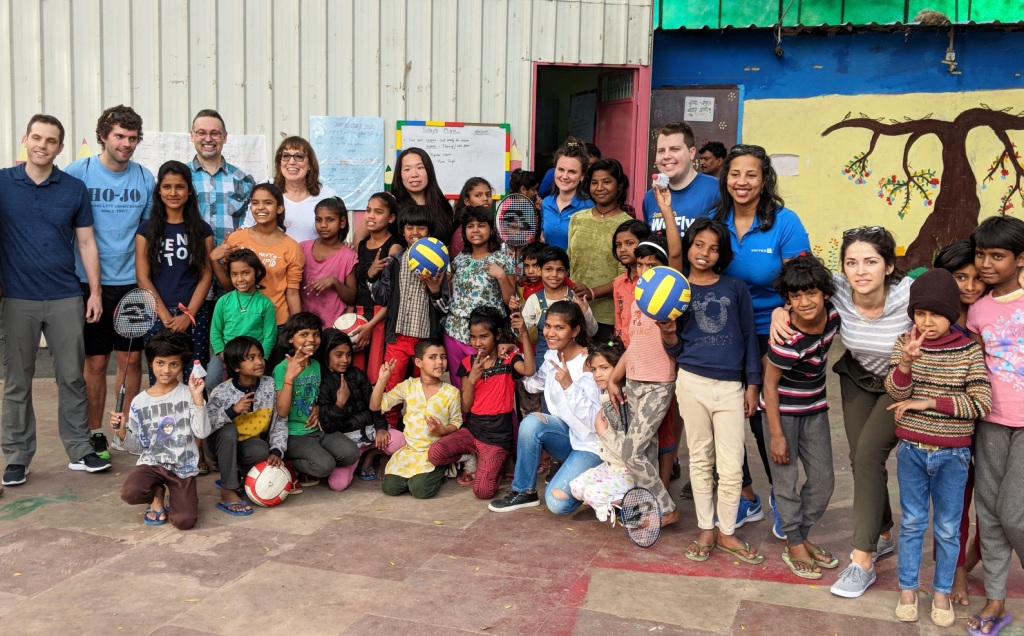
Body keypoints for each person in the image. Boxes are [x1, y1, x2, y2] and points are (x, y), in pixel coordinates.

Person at [772, 226, 912, 599]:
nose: (861, 271)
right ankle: (882, 534)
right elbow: (801, 287)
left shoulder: (909, 294)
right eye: (852, 262)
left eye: (871, 261)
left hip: (898, 385)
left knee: (867, 456)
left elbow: (953, 299)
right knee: (858, 457)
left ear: (889, 266)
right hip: (857, 378)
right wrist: (777, 311)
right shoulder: (836, 290)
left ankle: (862, 560)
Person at [0, 114, 111, 486]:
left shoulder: (73, 189)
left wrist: (94, 292)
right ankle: (17, 456)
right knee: (18, 381)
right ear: (25, 140)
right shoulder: (2, 183)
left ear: (60, 147)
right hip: (18, 298)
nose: (42, 145)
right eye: (36, 138)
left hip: (66, 296)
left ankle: (80, 449)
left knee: (71, 378)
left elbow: (86, 242)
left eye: (50, 141)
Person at [710, 144, 811, 532]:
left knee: (765, 419)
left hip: (772, 329)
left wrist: (787, 305)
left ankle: (784, 499)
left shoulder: (785, 222)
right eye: (735, 174)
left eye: (751, 174)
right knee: (728, 416)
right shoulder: (714, 220)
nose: (742, 182)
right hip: (724, 329)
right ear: (726, 178)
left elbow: (802, 279)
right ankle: (746, 496)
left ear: (764, 178)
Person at [885, 268, 991, 627]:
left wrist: (928, 402)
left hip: (953, 455)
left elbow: (979, 403)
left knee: (947, 527)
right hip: (911, 450)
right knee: (913, 523)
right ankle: (908, 590)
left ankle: (942, 591)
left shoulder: (968, 352)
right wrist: (906, 362)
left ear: (951, 314)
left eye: (936, 314)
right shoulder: (906, 342)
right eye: (920, 313)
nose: (927, 322)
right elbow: (897, 394)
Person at [662, 217, 763, 564]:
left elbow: (750, 338)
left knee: (732, 464)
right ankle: (706, 528)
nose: (704, 252)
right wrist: (669, 333)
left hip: (731, 387)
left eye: (713, 247)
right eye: (699, 244)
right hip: (691, 382)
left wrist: (753, 385)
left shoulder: (735, 288)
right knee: (700, 459)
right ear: (688, 247)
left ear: (722, 253)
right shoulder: (678, 290)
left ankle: (727, 531)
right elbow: (675, 349)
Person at [65, 105, 155, 460]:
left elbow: (146, 236)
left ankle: (125, 429)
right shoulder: (78, 172)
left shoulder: (145, 178)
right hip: (89, 285)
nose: (126, 144)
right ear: (103, 135)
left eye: (133, 138)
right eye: (119, 136)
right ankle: (94, 433)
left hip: (131, 283)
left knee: (131, 361)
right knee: (96, 364)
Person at [762, 256, 841, 580]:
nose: (804, 303)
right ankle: (793, 541)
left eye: (811, 293)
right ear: (788, 300)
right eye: (795, 297)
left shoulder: (834, 317)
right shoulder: (787, 339)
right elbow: (770, 384)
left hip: (815, 409)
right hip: (784, 413)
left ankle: (802, 533)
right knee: (786, 480)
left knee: (824, 481)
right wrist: (777, 435)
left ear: (824, 293)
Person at [965, 216, 1024, 636]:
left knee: (1013, 513)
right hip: (989, 422)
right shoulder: (978, 310)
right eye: (981, 254)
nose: (986, 263)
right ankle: (996, 600)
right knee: (989, 512)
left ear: (1020, 259)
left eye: (997, 256)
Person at [488, 301, 602, 515]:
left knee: (557, 504)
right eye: (548, 326)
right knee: (531, 423)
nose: (551, 333)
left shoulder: (589, 362)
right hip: (567, 438)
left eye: (560, 328)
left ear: (575, 330)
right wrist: (516, 356)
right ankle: (525, 491)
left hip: (590, 445)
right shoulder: (553, 355)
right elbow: (532, 383)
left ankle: (599, 479)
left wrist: (569, 385)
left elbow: (594, 422)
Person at [605, 234, 680, 525]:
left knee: (632, 451)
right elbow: (633, 344)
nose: (645, 271)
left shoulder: (670, 300)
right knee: (644, 450)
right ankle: (649, 507)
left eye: (653, 265)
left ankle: (667, 508)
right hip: (633, 381)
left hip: (659, 384)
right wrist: (614, 379)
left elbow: (676, 257)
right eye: (640, 265)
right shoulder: (637, 299)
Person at [429, 307, 535, 499]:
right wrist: (471, 379)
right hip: (472, 430)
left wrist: (524, 334)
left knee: (483, 491)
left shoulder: (508, 359)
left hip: (497, 437)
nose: (478, 343)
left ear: (498, 335)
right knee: (435, 454)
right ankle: (471, 457)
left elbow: (529, 370)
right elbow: (466, 408)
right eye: (473, 337)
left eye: (484, 336)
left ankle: (494, 462)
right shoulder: (467, 363)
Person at [110, 330, 210, 529]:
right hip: (152, 464)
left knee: (184, 521)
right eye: (160, 363)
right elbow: (139, 447)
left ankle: (179, 495)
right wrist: (122, 432)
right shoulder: (139, 402)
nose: (166, 370)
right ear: (150, 363)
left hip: (183, 468)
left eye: (174, 364)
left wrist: (198, 399)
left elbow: (202, 433)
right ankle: (156, 495)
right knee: (130, 492)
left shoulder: (189, 394)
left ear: (182, 365)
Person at [933, 239, 986, 605]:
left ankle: (976, 554)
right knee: (954, 500)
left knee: (994, 500)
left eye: (975, 278)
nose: (969, 287)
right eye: (959, 277)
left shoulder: (991, 311)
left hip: (994, 417)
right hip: (949, 422)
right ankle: (955, 573)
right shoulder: (933, 318)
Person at [188, 108, 257, 388]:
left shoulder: (244, 180)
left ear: (225, 137)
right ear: (192, 136)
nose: (208, 138)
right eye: (202, 132)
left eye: (215, 133)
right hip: (193, 280)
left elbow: (253, 227)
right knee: (197, 354)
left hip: (234, 281)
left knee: (232, 354)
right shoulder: (182, 180)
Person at [368, 205, 451, 427]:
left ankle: (421, 430)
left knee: (424, 389)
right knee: (393, 387)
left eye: (421, 227)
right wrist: (372, 276)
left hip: (425, 344)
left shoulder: (438, 262)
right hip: (397, 338)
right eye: (409, 227)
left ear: (429, 232)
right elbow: (382, 298)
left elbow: (444, 308)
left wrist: (435, 290)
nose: (415, 232)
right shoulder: (394, 261)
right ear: (402, 231)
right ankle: (391, 429)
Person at [135, 161, 215, 385]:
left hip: (194, 314)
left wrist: (187, 316)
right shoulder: (146, 230)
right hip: (157, 315)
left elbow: (206, 276)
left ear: (189, 190)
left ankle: (195, 420)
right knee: (160, 379)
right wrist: (166, 316)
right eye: (167, 186)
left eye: (179, 187)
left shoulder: (202, 230)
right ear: (159, 190)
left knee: (196, 378)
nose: (173, 193)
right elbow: (143, 277)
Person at [370, 339, 462, 499]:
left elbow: (456, 422)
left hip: (434, 452)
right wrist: (383, 379)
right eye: (432, 357)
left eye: (443, 357)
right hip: (410, 451)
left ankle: (442, 469)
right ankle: (415, 476)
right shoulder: (408, 386)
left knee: (420, 490)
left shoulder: (451, 392)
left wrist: (443, 430)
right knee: (390, 488)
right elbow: (375, 406)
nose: (440, 362)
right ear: (418, 362)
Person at [206, 336, 288, 516]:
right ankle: (228, 491)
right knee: (228, 431)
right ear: (236, 367)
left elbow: (279, 421)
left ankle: (236, 476)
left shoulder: (270, 385)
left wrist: (277, 450)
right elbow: (205, 427)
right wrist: (232, 411)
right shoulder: (221, 391)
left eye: (260, 356)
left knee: (261, 449)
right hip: (218, 448)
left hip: (246, 446)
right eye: (251, 358)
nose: (259, 362)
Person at [275, 312, 358, 488]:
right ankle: (290, 465)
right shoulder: (282, 369)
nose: (311, 339)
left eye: (315, 334)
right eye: (303, 334)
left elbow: (316, 395)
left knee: (351, 453)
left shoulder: (316, 365)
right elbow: (281, 411)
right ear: (290, 338)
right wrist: (289, 377)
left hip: (317, 429)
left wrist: (319, 407)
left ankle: (313, 460)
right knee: (325, 466)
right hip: (294, 434)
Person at [316, 329, 405, 490]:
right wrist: (339, 404)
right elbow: (328, 426)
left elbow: (374, 405)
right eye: (338, 355)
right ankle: (357, 458)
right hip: (348, 442)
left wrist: (381, 428)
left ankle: (371, 454)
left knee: (401, 441)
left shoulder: (357, 374)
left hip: (370, 434)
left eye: (349, 354)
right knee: (338, 485)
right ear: (325, 353)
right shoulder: (321, 382)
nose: (345, 360)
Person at [444, 206, 516, 391]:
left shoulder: (502, 259)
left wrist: (501, 276)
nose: (475, 230)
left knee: (485, 388)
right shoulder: (460, 259)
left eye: (481, 225)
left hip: (484, 337)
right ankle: (463, 421)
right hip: (455, 332)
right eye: (470, 226)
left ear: (491, 230)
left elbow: (511, 301)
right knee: (460, 385)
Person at [212, 183, 305, 327]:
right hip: (240, 322)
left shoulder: (292, 248)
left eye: (268, 203)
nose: (260, 207)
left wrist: (298, 328)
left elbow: (292, 294)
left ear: (279, 208)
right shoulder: (235, 239)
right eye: (255, 203)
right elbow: (229, 286)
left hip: (276, 324)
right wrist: (214, 260)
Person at [567, 158, 633, 342]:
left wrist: (593, 292)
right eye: (594, 183)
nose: (600, 188)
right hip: (575, 311)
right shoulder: (577, 219)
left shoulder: (628, 225)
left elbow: (626, 275)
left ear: (619, 186)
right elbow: (570, 261)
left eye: (607, 182)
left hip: (609, 315)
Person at [569, 343, 635, 522]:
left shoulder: (624, 400)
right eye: (594, 370)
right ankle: (612, 502)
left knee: (592, 492)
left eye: (604, 368)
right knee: (575, 486)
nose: (597, 374)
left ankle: (629, 504)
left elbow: (628, 454)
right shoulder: (605, 395)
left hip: (627, 471)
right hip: (610, 466)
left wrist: (602, 431)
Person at [350, 192, 402, 384]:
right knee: (356, 368)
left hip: (380, 317)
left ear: (391, 218)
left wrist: (371, 326)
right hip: (360, 314)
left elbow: (393, 295)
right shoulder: (362, 245)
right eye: (368, 210)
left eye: (378, 212)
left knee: (375, 370)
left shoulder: (393, 247)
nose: (371, 216)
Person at [209, 249, 278, 384]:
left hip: (255, 356)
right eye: (234, 274)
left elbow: (270, 337)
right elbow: (215, 333)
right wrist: (225, 355)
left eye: (245, 273)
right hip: (226, 354)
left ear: (256, 272)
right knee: (212, 380)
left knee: (255, 386)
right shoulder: (223, 301)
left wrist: (259, 359)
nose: (240, 279)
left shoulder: (265, 304)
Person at [520, 246, 598, 361]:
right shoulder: (534, 300)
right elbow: (520, 332)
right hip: (544, 364)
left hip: (574, 362)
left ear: (566, 272)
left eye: (560, 270)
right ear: (539, 271)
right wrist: (516, 315)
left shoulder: (576, 297)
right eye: (549, 269)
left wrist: (585, 311)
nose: (554, 275)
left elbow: (592, 331)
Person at [642, 123, 720, 237]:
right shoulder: (651, 197)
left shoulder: (716, 190)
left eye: (675, 149)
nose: (666, 156)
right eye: (661, 151)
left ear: (692, 153)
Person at [258, 136, 336, 243]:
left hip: (315, 259)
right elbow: (249, 228)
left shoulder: (328, 195)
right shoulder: (265, 189)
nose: (291, 162)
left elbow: (337, 236)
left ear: (309, 165)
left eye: (299, 156)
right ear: (279, 162)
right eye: (286, 156)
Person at [299, 197, 357, 327]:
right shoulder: (302, 248)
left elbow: (352, 297)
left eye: (330, 220)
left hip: (333, 325)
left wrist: (334, 281)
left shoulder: (348, 256)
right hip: (305, 325)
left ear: (342, 222)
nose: (323, 225)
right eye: (318, 220)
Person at [390, 148, 454, 244]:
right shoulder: (390, 204)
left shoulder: (443, 205)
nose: (414, 174)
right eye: (407, 169)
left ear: (429, 171)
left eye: (420, 168)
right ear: (399, 174)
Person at [539, 138, 591, 250]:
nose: (565, 176)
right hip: (549, 266)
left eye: (572, 172)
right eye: (561, 170)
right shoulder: (546, 203)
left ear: (582, 176)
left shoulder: (590, 207)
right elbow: (543, 237)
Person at [609, 220, 651, 347]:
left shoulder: (652, 280)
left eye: (629, 243)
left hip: (648, 347)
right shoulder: (619, 282)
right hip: (624, 347)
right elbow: (619, 322)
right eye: (618, 245)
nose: (622, 249)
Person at [450, 177, 493, 257]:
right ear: (467, 201)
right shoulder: (461, 235)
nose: (485, 199)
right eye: (478, 195)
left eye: (488, 195)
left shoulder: (493, 223)